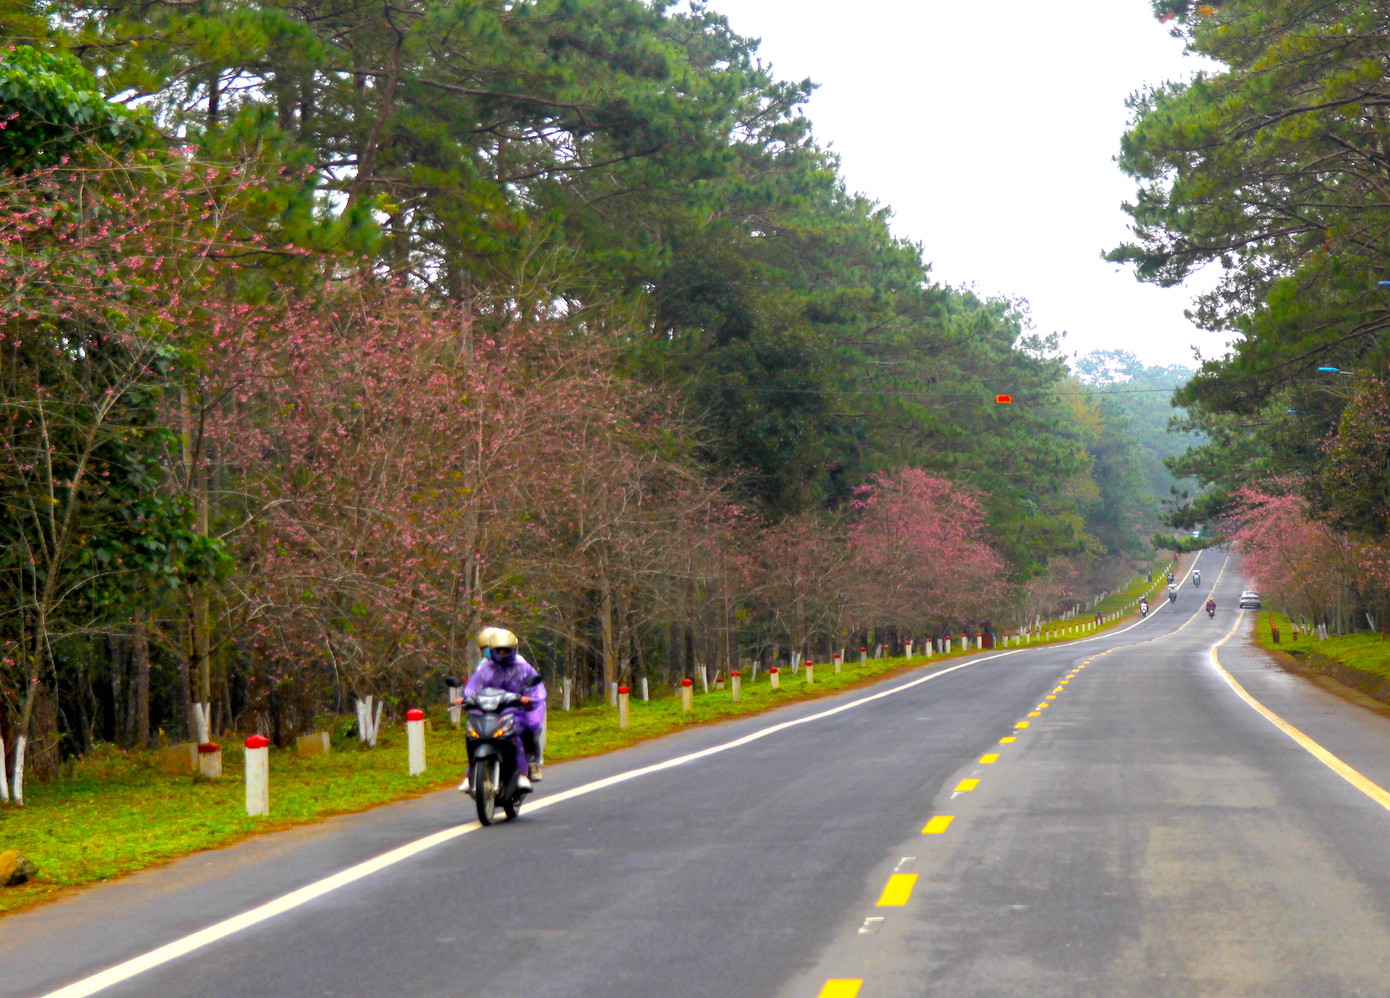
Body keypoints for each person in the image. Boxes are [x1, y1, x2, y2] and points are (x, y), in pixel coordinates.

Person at [456, 627, 547, 790]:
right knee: (474, 735)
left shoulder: (522, 667)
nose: (502, 654)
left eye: (506, 650)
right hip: (491, 711)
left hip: (515, 711)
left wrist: (528, 699)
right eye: (498, 650)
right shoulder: (486, 669)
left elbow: (534, 689)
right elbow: (474, 687)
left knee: (517, 734)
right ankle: (473, 774)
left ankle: (521, 772)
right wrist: (466, 698)